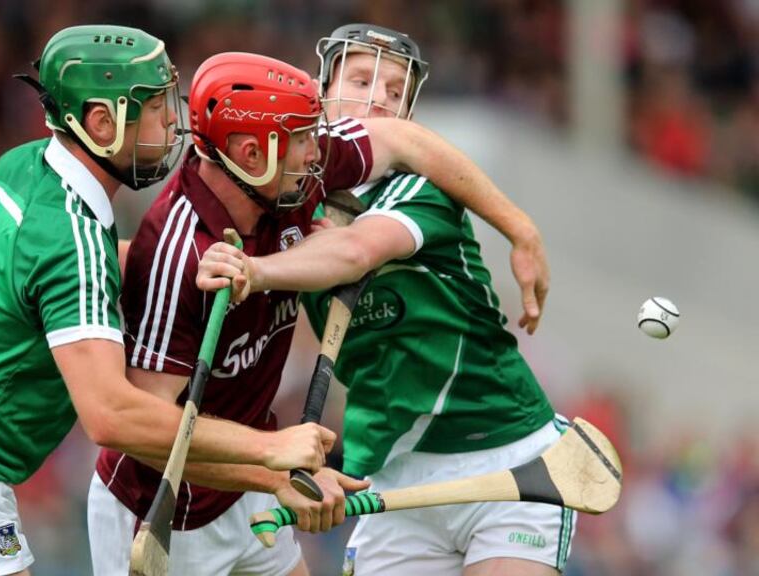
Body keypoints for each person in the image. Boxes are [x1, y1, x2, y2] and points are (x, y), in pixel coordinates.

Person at [0, 26, 336, 576]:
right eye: (153, 107)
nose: (172, 123)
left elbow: (73, 268)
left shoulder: (26, 166)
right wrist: (269, 454)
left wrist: (186, 264)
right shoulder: (68, 236)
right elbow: (110, 415)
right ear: (101, 122)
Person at [89, 50, 550, 576]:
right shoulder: (181, 255)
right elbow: (147, 436)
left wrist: (520, 229)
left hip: (251, 485)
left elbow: (402, 140)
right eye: (303, 140)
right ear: (250, 153)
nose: (317, 153)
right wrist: (274, 470)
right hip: (165, 512)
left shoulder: (281, 173)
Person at [197, 24, 574, 576]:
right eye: (361, 78)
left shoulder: (424, 188)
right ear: (320, 92)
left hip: (505, 457)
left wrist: (252, 271)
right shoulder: (284, 196)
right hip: (395, 476)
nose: (378, 97)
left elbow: (354, 252)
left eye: (395, 90)